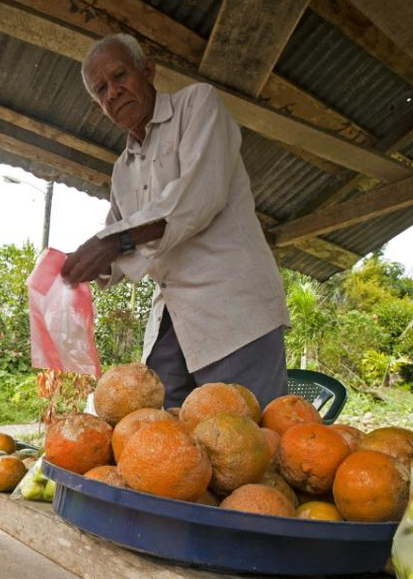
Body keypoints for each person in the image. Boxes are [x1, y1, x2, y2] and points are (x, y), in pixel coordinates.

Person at [62, 33, 290, 412]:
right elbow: (117, 245)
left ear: (148, 71)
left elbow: (198, 199)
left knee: (250, 441)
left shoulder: (198, 104)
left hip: (233, 311)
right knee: (162, 444)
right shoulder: (122, 169)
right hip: (172, 318)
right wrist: (79, 265)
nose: (113, 93)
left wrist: (111, 244)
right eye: (101, 90)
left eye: (120, 77)